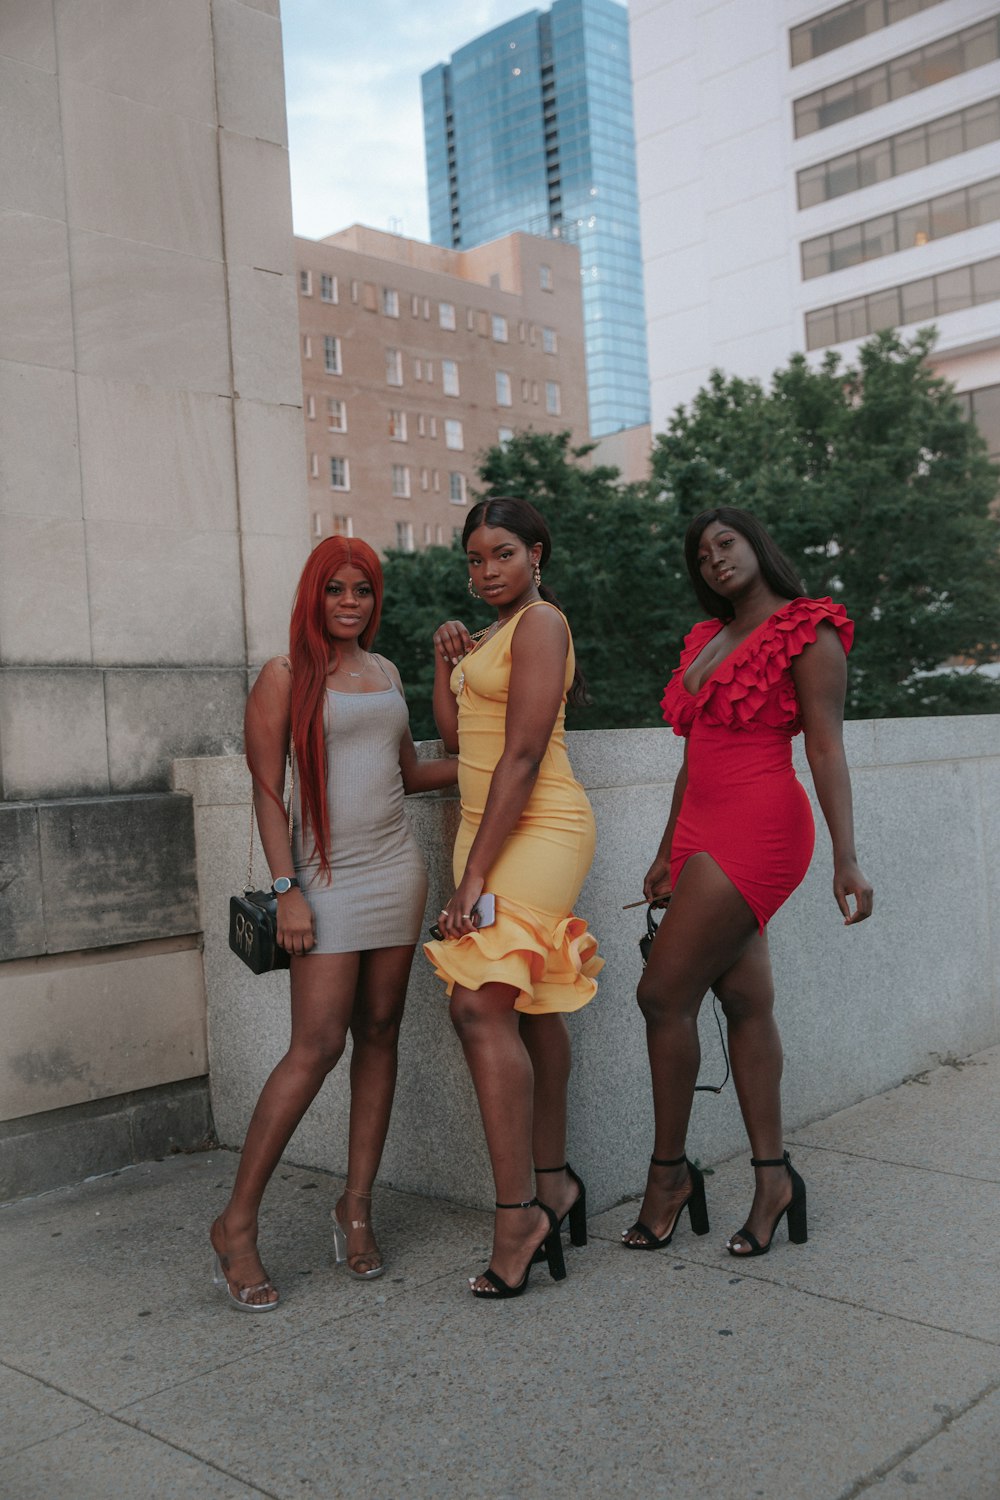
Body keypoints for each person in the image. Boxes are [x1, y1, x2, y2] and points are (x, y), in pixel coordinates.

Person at [210, 537, 457, 1310]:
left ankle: (356, 1206)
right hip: (320, 880)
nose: (350, 603)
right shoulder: (284, 676)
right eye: (336, 590)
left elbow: (411, 773)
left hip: (395, 874)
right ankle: (237, 1225)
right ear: (313, 596)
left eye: (364, 592)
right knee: (314, 1048)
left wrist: (509, 753)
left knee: (379, 1033)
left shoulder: (383, 674)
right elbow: (264, 792)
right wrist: (288, 890)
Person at [624, 506, 873, 1259]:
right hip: (700, 828)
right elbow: (692, 755)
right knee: (743, 998)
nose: (715, 560)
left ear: (758, 545)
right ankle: (773, 1179)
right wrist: (668, 848)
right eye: (701, 555)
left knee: (662, 995)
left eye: (726, 543)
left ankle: (668, 1176)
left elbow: (826, 750)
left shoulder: (810, 628)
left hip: (763, 825)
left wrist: (846, 857)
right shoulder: (706, 638)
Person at [426, 497, 603, 1299]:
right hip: (484, 829)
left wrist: (472, 878)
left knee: (478, 1008)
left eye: (501, 554)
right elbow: (462, 740)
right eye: (473, 559)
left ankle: (517, 1216)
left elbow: (525, 755)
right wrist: (444, 667)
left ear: (537, 553)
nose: (485, 570)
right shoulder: (495, 637)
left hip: (536, 826)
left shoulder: (543, 625)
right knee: (529, 1007)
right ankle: (556, 1185)